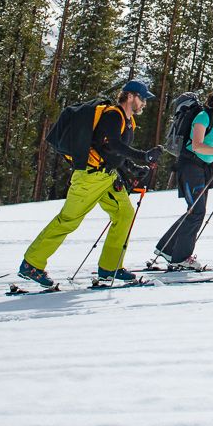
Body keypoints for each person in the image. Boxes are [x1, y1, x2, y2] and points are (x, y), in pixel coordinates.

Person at [18, 79, 163, 288]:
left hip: (107, 177)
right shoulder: (114, 115)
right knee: (68, 220)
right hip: (90, 177)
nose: (144, 104)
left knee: (124, 214)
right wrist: (143, 156)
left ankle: (110, 268)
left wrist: (131, 168)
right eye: (142, 99)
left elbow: (111, 152)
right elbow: (110, 144)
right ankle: (31, 264)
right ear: (130, 96)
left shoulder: (127, 120)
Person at [153, 88, 213, 270]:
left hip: (203, 169)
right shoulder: (203, 116)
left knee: (194, 211)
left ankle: (167, 249)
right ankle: (181, 257)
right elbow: (197, 145)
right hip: (190, 167)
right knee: (196, 212)